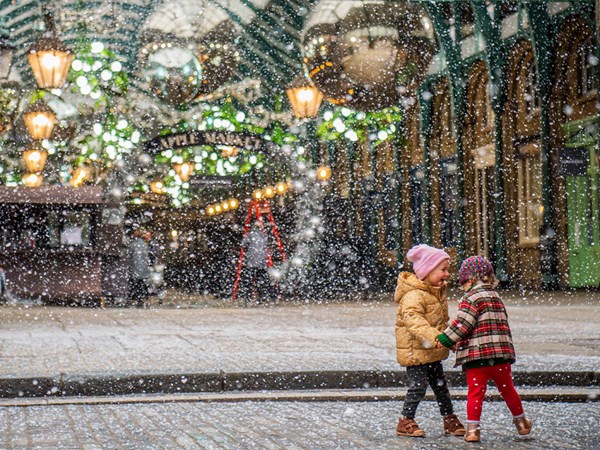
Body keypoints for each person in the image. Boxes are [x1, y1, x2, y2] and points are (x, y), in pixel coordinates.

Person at [436, 255, 532, 443]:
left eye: (463, 282)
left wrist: (445, 338)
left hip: (477, 358)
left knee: (475, 392)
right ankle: (521, 422)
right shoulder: (496, 297)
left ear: (470, 279)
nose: (462, 286)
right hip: (500, 357)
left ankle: (473, 429)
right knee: (508, 389)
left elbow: (463, 324)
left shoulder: (471, 298)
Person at [394, 244, 465, 438]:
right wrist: (437, 338)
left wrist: (451, 339)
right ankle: (405, 420)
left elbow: (441, 323)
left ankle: (449, 418)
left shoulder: (435, 292)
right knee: (418, 386)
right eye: (443, 270)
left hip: (432, 350)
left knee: (441, 385)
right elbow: (414, 322)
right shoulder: (414, 295)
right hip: (416, 351)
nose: (447, 274)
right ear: (426, 271)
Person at [239, 220, 272, 303]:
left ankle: (248, 298)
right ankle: (262, 297)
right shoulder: (264, 235)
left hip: (252, 260)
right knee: (261, 281)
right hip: (262, 261)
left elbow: (243, 244)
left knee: (249, 281)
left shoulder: (250, 234)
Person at [128, 228, 152, 308]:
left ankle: (136, 299)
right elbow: (149, 256)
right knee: (142, 283)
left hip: (135, 267)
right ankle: (143, 299)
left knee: (136, 283)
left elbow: (128, 254)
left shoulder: (132, 244)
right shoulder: (145, 245)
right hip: (144, 268)